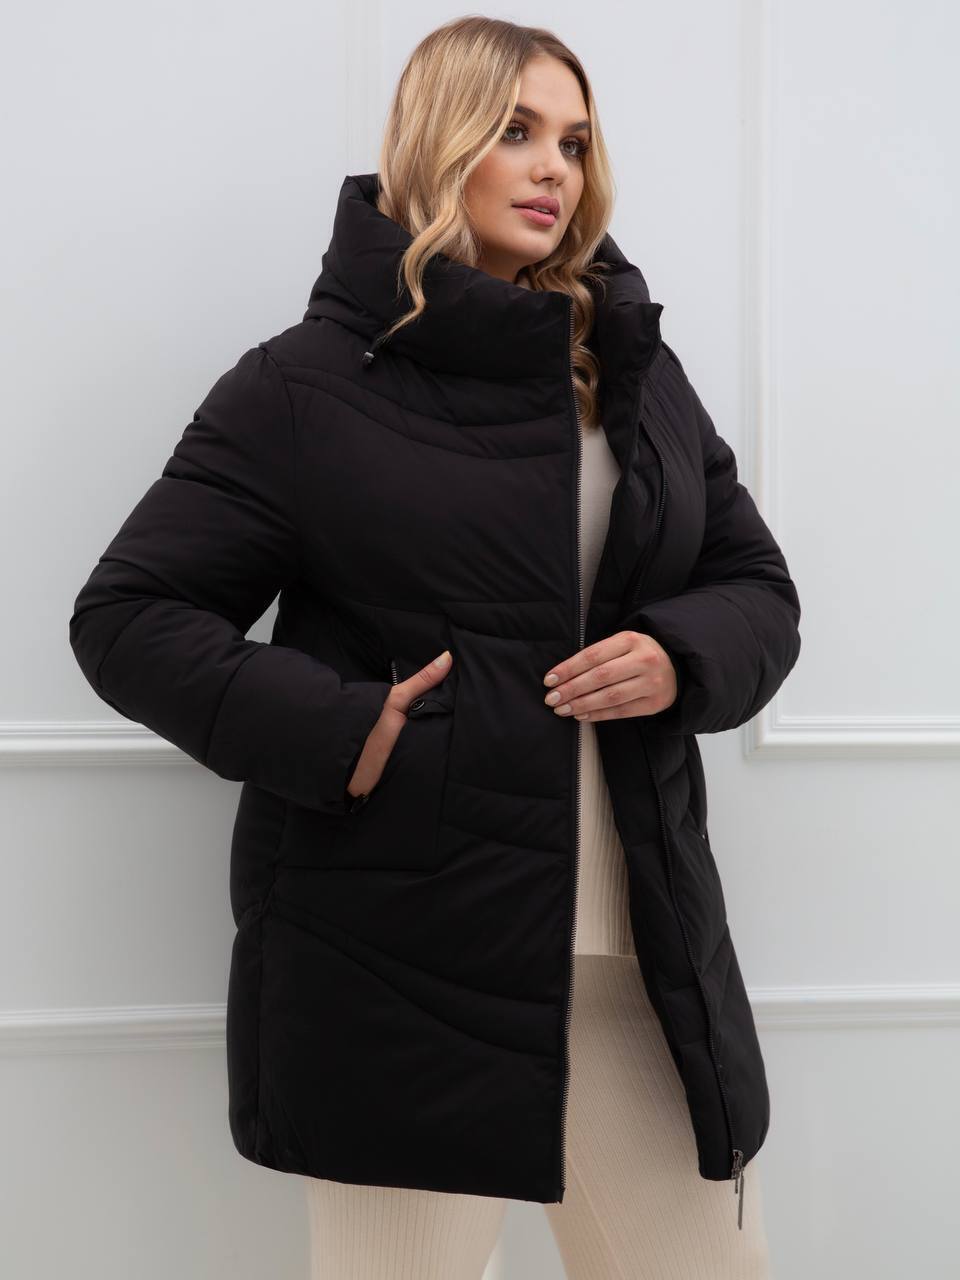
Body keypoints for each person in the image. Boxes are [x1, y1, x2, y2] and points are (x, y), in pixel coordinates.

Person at [69, 15, 801, 1279]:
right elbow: (129, 614)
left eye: (574, 140)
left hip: (638, 952)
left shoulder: (631, 371)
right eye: (517, 130)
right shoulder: (305, 385)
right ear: (438, 139)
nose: (554, 166)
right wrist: (345, 729)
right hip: (398, 959)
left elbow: (757, 585)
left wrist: (679, 654)